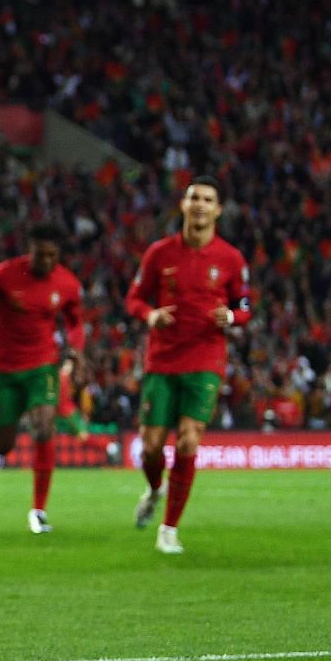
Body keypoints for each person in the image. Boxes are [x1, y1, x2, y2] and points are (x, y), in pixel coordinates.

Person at [124, 178, 251, 554]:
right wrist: (150, 315)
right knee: (150, 448)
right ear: (183, 205)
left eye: (208, 200)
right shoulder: (159, 254)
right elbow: (134, 298)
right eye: (194, 198)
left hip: (206, 360)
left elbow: (245, 307)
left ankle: (169, 528)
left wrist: (230, 316)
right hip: (162, 360)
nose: (200, 205)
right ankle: (154, 488)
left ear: (218, 210)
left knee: (189, 439)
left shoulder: (230, 258)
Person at [0, 222, 85, 534]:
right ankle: (1, 426)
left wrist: (76, 351)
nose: (46, 262)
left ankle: (39, 510)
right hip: (3, 369)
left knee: (44, 424)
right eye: (41, 255)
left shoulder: (67, 283)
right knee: (3, 445)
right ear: (30, 251)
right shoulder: (4, 274)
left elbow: (75, 321)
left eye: (52, 256)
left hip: (43, 366)